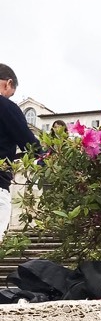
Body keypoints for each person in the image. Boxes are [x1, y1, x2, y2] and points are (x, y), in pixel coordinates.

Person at [0, 65, 42, 241]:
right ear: (8, 84)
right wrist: (44, 157)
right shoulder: (5, 106)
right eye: (11, 93)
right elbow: (29, 144)